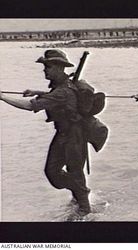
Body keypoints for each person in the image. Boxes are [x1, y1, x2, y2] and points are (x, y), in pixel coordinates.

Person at [0, 49, 91, 215]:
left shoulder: (63, 91)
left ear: (57, 67)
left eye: (47, 67)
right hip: (65, 134)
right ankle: (80, 196)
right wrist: (38, 92)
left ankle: (84, 206)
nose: (44, 70)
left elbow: (30, 106)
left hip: (73, 136)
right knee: (56, 172)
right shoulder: (63, 86)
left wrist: (3, 97)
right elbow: (56, 96)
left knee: (69, 171)